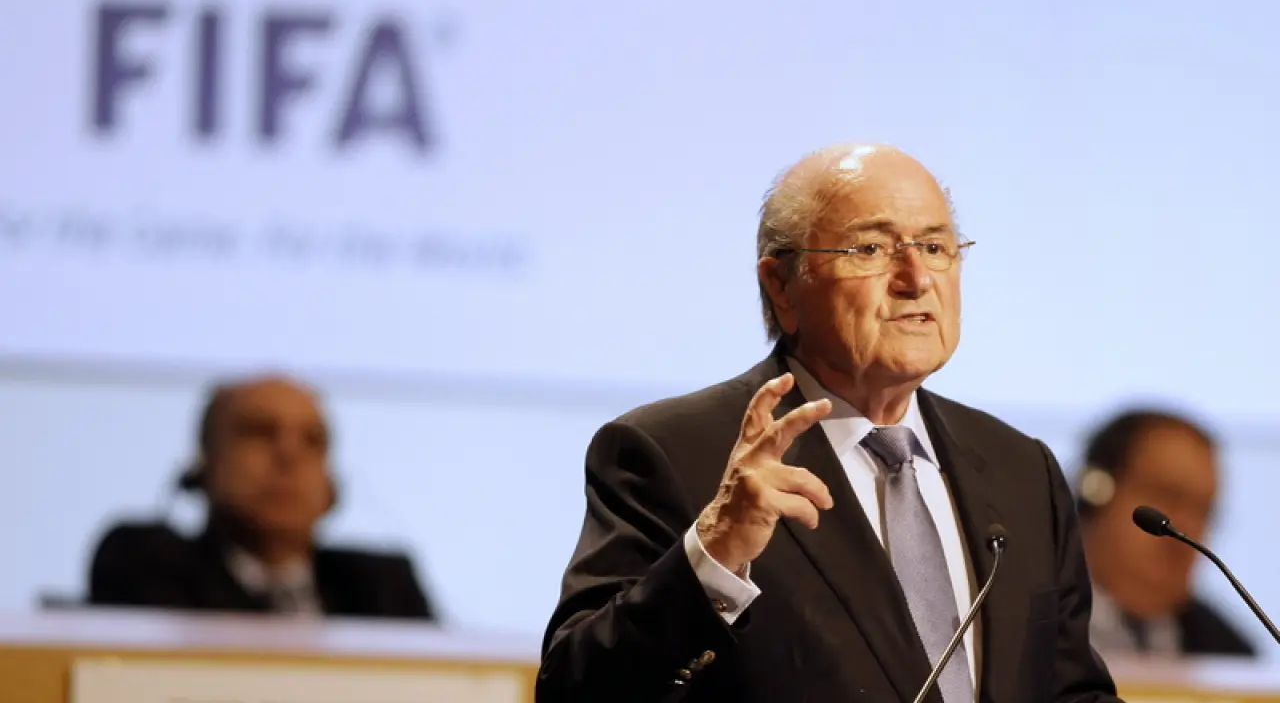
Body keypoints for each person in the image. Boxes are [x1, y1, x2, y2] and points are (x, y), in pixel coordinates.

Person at [537, 143, 1121, 702]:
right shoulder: (671, 453)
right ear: (781, 286)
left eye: (935, 247)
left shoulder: (1022, 471)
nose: (916, 278)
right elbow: (575, 690)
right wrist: (712, 556)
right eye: (870, 249)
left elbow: (1067, 692)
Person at [88, 374, 437, 620]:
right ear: (202, 468)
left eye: (313, 440)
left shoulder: (382, 586)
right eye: (259, 433)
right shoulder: (147, 563)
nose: (289, 455)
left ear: (331, 486)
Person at [1075, 409, 1255, 658]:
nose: (1187, 530)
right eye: (1167, 496)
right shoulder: (1028, 626)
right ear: (1094, 494)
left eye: (1204, 512)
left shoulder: (1231, 654)